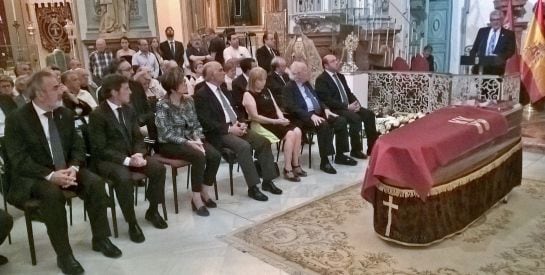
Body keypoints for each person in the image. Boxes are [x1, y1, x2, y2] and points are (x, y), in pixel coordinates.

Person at [4, 70, 121, 274]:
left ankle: (101, 238)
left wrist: (74, 168)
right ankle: (64, 254)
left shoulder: (64, 113)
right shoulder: (17, 119)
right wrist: (51, 176)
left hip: (66, 168)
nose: (61, 91)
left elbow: (77, 146)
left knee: (94, 182)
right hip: (36, 175)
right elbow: (19, 160)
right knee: (51, 194)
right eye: (56, 87)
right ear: (40, 94)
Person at [88, 74, 168, 244]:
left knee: (158, 169)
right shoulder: (98, 115)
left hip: (133, 155)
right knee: (124, 179)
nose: (130, 92)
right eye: (126, 89)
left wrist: (139, 153)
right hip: (110, 160)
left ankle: (152, 210)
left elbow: (138, 137)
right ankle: (132, 222)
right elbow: (100, 149)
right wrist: (126, 160)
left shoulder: (129, 109)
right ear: (114, 92)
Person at [194, 61, 281, 200]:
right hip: (219, 133)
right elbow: (206, 122)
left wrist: (241, 122)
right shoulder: (201, 94)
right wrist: (229, 128)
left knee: (263, 142)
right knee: (244, 147)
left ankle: (267, 181)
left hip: (236, 126)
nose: (224, 72)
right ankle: (253, 187)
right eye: (221, 70)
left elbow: (235, 108)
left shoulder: (223, 88)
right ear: (211, 75)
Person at [155, 68, 221, 216]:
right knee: (198, 156)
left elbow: (196, 124)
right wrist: (188, 143)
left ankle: (204, 190)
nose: (186, 84)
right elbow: (165, 133)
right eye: (182, 82)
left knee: (214, 155)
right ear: (172, 88)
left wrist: (197, 138)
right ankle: (196, 198)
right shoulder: (162, 105)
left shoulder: (189, 100)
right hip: (170, 144)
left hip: (191, 140)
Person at [282, 62, 357, 174]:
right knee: (323, 125)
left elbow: (318, 99)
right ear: (298, 74)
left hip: (319, 112)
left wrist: (326, 109)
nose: (308, 72)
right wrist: (310, 115)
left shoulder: (307, 84)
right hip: (303, 117)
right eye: (305, 71)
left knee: (341, 120)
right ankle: (325, 161)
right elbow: (292, 107)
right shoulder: (289, 87)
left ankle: (340, 155)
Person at [243, 67, 305, 182]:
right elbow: (255, 117)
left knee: (298, 131)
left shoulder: (267, 90)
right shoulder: (248, 94)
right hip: (262, 123)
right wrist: (276, 121)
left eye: (264, 80)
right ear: (253, 80)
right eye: (260, 80)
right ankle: (287, 168)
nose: (263, 82)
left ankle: (295, 163)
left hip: (275, 120)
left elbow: (276, 107)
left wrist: (281, 117)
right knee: (291, 134)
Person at [315, 55, 378, 157]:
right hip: (335, 109)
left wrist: (357, 103)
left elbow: (348, 93)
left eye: (336, 59)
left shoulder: (340, 76)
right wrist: (347, 107)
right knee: (355, 118)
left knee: (369, 114)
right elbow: (327, 100)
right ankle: (355, 150)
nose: (337, 62)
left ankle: (372, 148)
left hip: (347, 106)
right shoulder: (321, 79)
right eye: (333, 61)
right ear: (326, 65)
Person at [469, 10, 516, 76]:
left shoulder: (509, 34)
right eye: (493, 20)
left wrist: (499, 57)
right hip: (479, 69)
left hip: (496, 69)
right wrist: (472, 58)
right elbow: (474, 48)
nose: (495, 22)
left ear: (502, 20)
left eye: (498, 19)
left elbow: (511, 51)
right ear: (490, 21)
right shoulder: (482, 31)